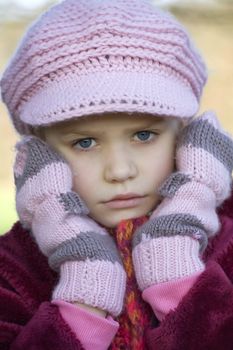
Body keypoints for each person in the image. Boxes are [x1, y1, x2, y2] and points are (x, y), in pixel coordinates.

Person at [1, 0, 233, 349]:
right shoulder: (12, 270)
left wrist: (180, 281)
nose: (120, 171)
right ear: (39, 153)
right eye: (84, 142)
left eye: (143, 135)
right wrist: (83, 297)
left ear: (184, 134)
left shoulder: (227, 244)